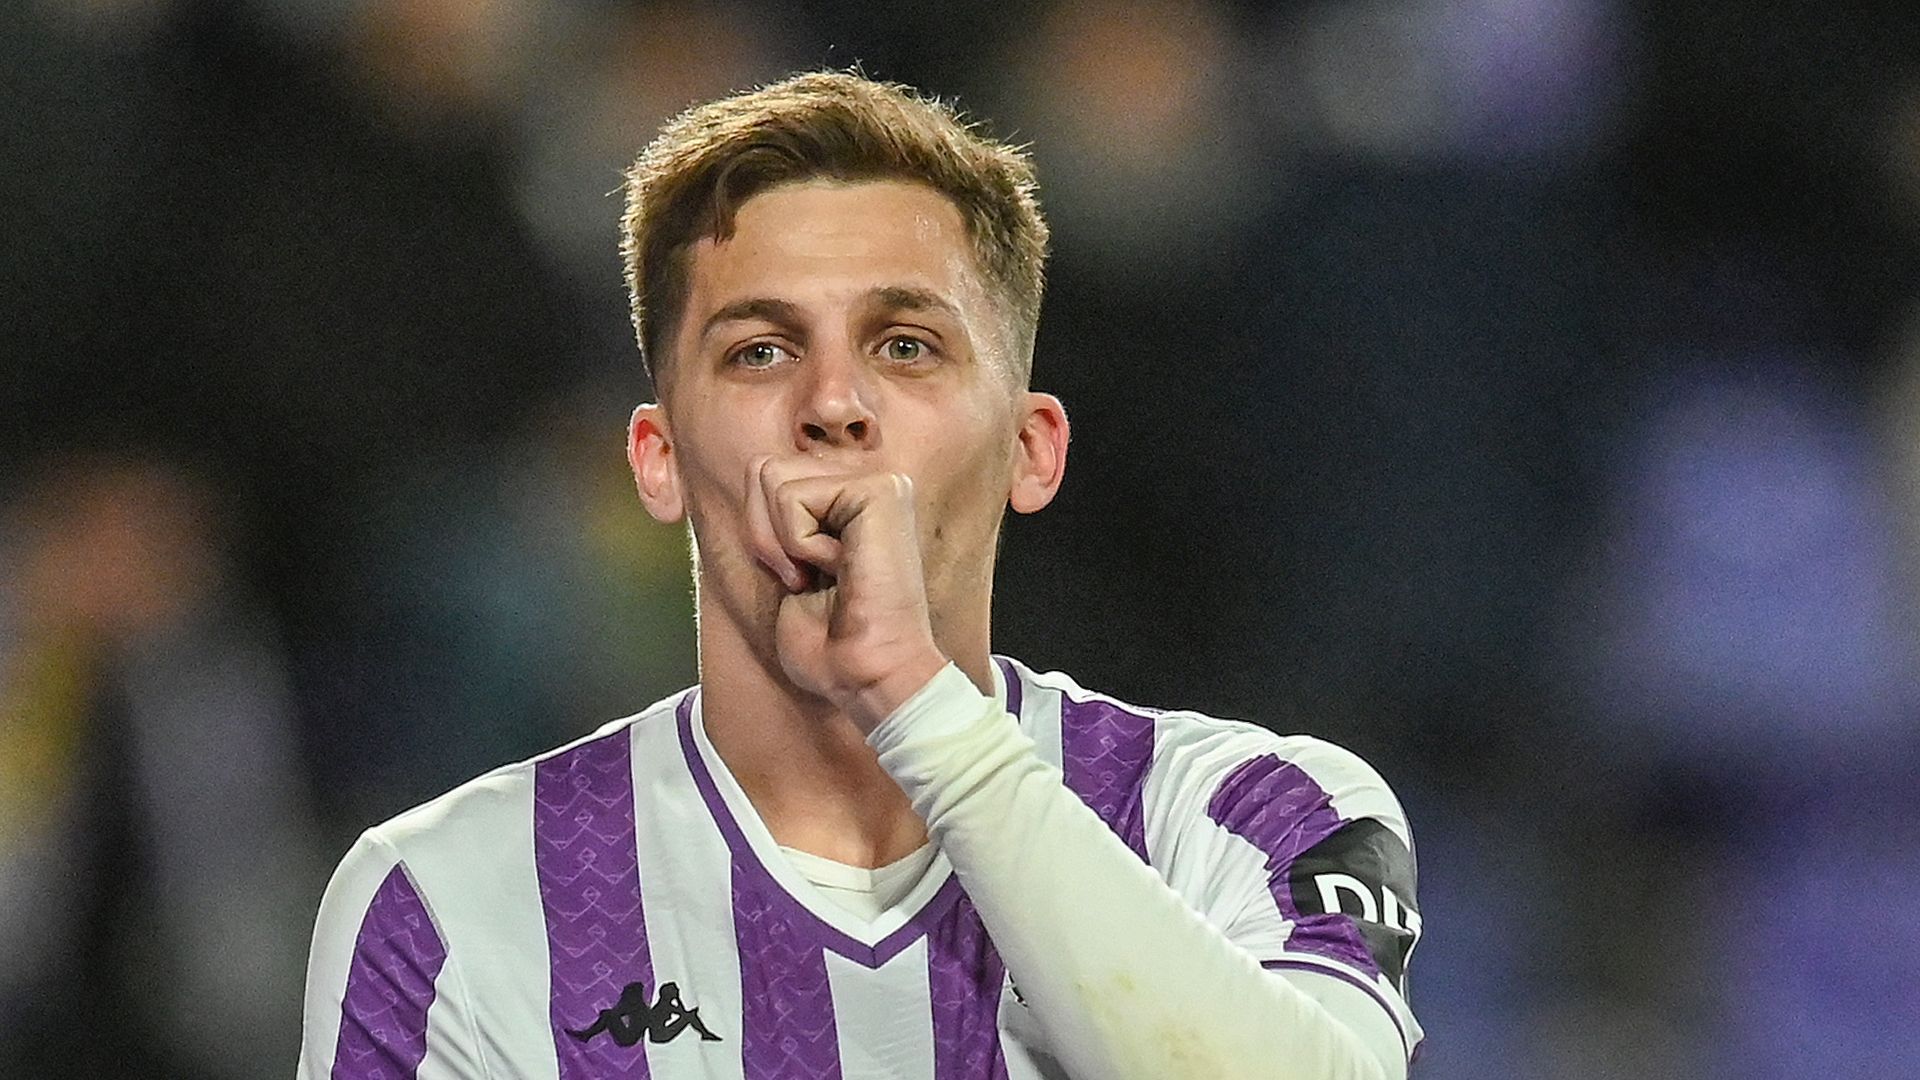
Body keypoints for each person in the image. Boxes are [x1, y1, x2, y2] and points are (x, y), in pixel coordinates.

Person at [296, 71, 1424, 1080]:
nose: (832, 406)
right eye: (760, 352)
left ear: (1032, 449)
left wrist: (915, 702)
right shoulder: (446, 904)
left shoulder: (1256, 814)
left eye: (904, 346)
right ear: (660, 460)